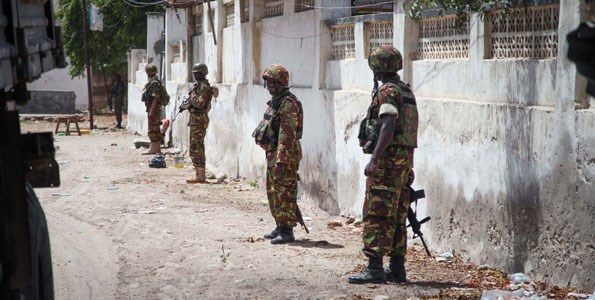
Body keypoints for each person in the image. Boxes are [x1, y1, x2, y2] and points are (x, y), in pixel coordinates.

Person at [348, 45, 418, 284]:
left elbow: (388, 125)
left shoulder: (388, 92)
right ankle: (397, 269)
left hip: (388, 163)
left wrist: (375, 159)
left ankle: (375, 268)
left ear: (377, 67)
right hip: (403, 162)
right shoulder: (405, 91)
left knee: (377, 213)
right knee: (398, 214)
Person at [252, 64, 303, 245]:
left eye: (274, 82)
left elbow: (286, 135)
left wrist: (281, 160)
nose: (270, 85)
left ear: (282, 82)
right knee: (273, 192)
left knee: (284, 192)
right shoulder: (277, 102)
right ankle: (279, 225)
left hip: (284, 155)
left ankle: (287, 230)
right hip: (274, 153)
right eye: (268, 82)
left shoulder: (287, 103)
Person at [186, 63, 213, 183]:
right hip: (195, 118)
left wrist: (192, 96)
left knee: (197, 146)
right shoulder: (198, 86)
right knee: (193, 146)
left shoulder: (204, 88)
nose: (195, 75)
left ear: (201, 73)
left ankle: (201, 175)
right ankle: (198, 173)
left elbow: (199, 103)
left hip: (200, 118)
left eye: (196, 73)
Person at [141, 63, 168, 155]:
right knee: (154, 127)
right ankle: (155, 147)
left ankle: (154, 148)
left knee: (153, 128)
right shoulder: (153, 82)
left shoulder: (154, 83)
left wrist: (152, 111)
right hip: (152, 108)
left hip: (154, 108)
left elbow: (155, 97)